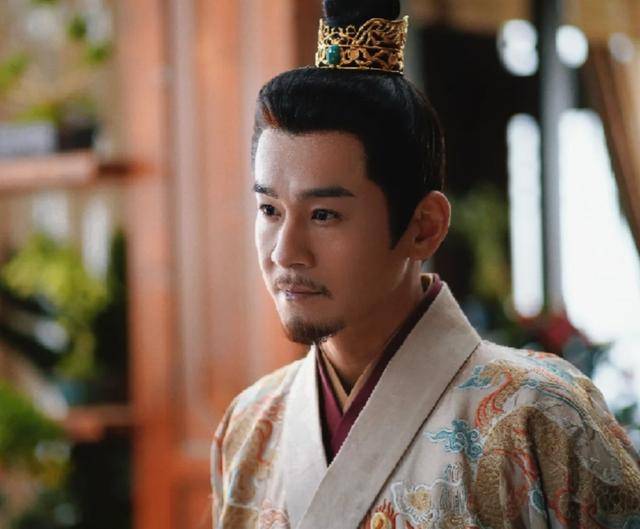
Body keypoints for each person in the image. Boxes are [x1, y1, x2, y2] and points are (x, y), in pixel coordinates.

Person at [210, 1, 640, 527]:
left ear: (423, 227)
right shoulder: (250, 426)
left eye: (324, 214)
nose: (284, 252)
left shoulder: (540, 415)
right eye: (269, 210)